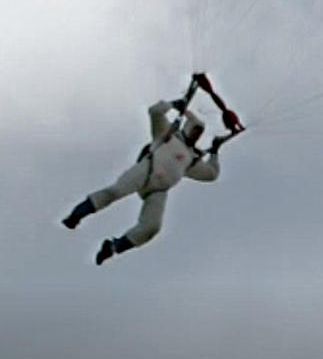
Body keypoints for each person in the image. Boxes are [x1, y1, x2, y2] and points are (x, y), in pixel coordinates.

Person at [62, 96, 235, 265]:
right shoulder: (166, 133)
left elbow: (211, 174)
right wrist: (175, 104)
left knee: (152, 227)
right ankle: (76, 215)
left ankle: (114, 248)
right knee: (115, 191)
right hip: (146, 170)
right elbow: (155, 111)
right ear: (188, 127)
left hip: (157, 191)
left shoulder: (192, 159)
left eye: (199, 132)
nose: (197, 134)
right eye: (195, 129)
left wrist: (214, 152)